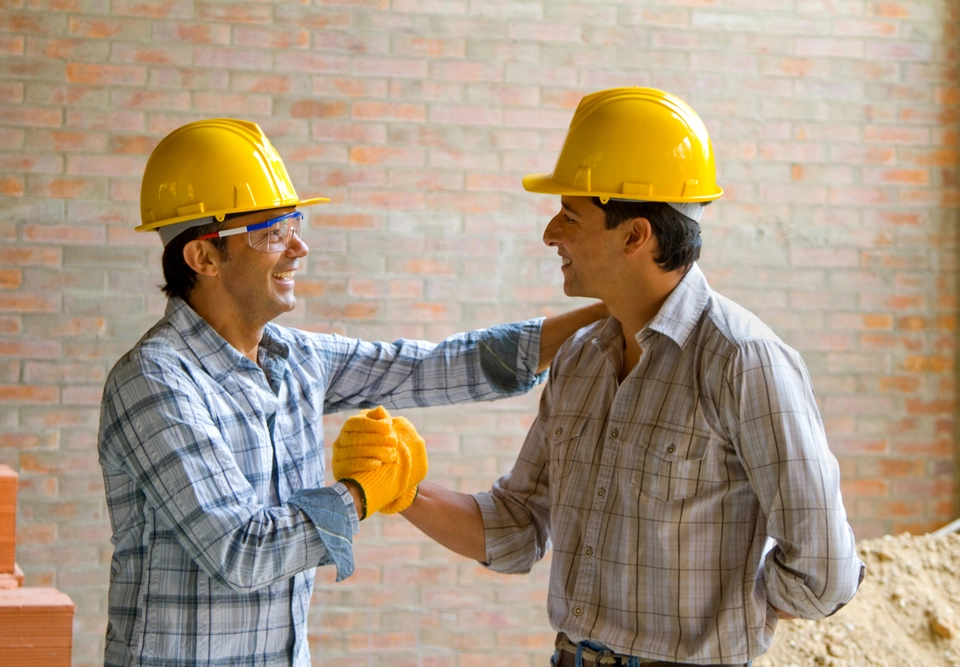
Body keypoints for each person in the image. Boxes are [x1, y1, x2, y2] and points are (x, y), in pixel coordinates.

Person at [335, 88, 865, 667]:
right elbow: (514, 531)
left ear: (635, 235)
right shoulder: (581, 359)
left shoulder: (744, 361)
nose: (549, 234)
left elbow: (824, 573)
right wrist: (403, 491)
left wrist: (729, 622)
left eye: (570, 215)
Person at [96, 118, 606, 667]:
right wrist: (363, 492)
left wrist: (611, 311)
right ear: (204, 258)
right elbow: (240, 550)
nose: (299, 247)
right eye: (271, 232)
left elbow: (432, 367)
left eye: (295, 222)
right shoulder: (156, 381)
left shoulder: (293, 360)